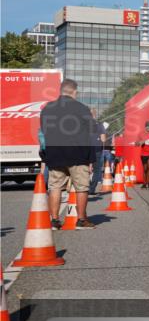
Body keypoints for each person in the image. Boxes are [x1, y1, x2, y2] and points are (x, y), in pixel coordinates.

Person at [39, 78, 99, 229]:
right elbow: (93, 130)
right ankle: (81, 220)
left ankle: (54, 220)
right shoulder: (81, 108)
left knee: (55, 187)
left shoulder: (48, 108)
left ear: (61, 91)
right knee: (82, 187)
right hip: (78, 155)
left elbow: (44, 131)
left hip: (55, 154)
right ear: (74, 92)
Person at [137, 121, 149, 188]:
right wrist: (142, 142)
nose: (148, 128)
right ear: (145, 127)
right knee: (145, 169)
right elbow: (137, 143)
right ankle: (145, 182)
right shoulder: (141, 133)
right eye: (147, 127)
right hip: (143, 153)